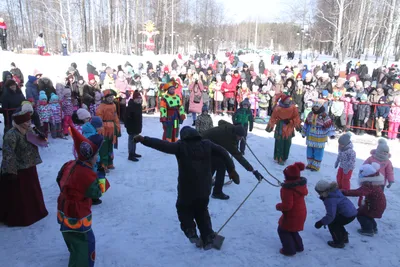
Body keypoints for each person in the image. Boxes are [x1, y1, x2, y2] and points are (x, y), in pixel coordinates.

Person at [133, 126, 239, 250]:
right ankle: (208, 238)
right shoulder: (207, 144)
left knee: (183, 208)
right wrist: (231, 170)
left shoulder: (180, 146)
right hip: (204, 188)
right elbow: (223, 152)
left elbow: (163, 145)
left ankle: (190, 230)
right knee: (202, 211)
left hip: (187, 188)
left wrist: (143, 139)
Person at [56, 126, 104, 267]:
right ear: (90, 156)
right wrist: (101, 179)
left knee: (70, 237)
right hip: (77, 213)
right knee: (85, 243)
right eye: (96, 155)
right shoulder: (87, 174)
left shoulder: (69, 164)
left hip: (64, 208)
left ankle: (74, 251)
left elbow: (59, 179)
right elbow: (96, 193)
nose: (97, 157)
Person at [0, 110, 48, 226]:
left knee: (32, 191)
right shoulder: (11, 135)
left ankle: (37, 212)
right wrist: (11, 171)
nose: (29, 123)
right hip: (18, 169)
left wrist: (41, 138)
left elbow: (39, 143)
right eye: (26, 121)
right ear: (20, 123)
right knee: (21, 195)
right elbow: (8, 154)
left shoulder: (29, 130)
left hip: (30, 166)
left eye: (29, 120)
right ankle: (23, 218)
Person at [201, 120, 263, 200]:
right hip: (203, 146)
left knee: (216, 163)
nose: (240, 139)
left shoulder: (231, 128)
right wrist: (252, 170)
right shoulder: (227, 139)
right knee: (221, 165)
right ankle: (217, 192)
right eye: (240, 137)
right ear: (236, 134)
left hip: (208, 143)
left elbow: (220, 121)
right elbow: (239, 157)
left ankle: (206, 183)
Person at [342, 163, 387, 236]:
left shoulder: (369, 185)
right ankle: (373, 228)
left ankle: (367, 230)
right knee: (368, 215)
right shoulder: (374, 182)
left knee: (361, 214)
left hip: (374, 206)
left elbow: (358, 192)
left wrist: (344, 192)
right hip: (377, 204)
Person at [276, 162, 308, 256]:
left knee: (283, 230)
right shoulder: (301, 185)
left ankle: (289, 250)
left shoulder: (287, 189)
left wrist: (278, 206)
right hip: (301, 213)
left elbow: (287, 205)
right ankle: (299, 246)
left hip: (292, 215)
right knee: (292, 230)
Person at [314, 180, 357, 248]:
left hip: (347, 215)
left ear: (323, 192)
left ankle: (338, 242)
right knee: (338, 222)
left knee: (332, 223)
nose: (319, 194)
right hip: (352, 212)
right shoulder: (335, 192)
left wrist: (321, 222)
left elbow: (330, 216)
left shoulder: (329, 199)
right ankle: (344, 237)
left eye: (319, 193)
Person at [266, 94, 301, 165]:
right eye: (287, 99)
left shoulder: (293, 108)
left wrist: (293, 123)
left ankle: (285, 157)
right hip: (280, 127)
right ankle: (279, 158)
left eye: (289, 99)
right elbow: (273, 117)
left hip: (289, 127)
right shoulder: (278, 108)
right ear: (283, 100)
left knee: (288, 143)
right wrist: (270, 126)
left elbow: (296, 117)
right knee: (279, 143)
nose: (289, 100)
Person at [302, 102, 335, 171]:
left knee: (318, 151)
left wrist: (331, 134)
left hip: (320, 136)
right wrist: (304, 132)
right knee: (309, 151)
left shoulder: (324, 115)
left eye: (317, 106)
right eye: (315, 106)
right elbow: (306, 123)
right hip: (310, 135)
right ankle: (310, 163)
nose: (316, 108)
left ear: (320, 107)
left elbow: (329, 124)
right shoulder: (310, 114)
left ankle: (316, 166)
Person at [96, 89, 121, 172]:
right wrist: (100, 129)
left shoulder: (114, 105)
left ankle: (110, 163)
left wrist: (117, 128)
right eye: (109, 97)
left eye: (112, 97)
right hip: (105, 129)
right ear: (105, 98)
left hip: (112, 129)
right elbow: (99, 118)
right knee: (104, 148)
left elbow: (115, 117)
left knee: (110, 147)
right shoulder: (101, 106)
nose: (111, 98)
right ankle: (103, 165)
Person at [125, 90, 143, 162]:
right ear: (134, 99)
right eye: (137, 99)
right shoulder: (130, 107)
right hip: (131, 127)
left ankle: (134, 152)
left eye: (140, 98)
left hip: (137, 126)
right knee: (131, 140)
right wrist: (128, 127)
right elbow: (127, 118)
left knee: (135, 139)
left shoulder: (139, 106)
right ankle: (131, 154)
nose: (139, 100)